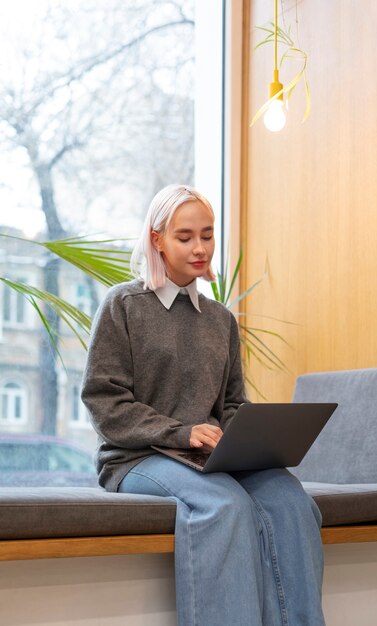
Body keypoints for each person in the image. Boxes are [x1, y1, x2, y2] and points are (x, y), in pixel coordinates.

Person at [81, 184, 326, 626]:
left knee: (292, 503)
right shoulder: (123, 305)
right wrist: (181, 432)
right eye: (185, 236)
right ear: (157, 239)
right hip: (136, 457)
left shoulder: (220, 320)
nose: (200, 248)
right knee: (224, 506)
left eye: (207, 235)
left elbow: (232, 403)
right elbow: (105, 402)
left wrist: (247, 439)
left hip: (206, 458)